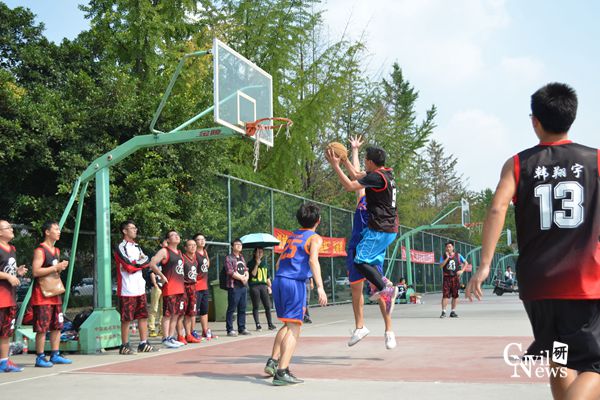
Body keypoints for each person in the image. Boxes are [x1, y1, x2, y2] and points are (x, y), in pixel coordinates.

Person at [466, 82, 600, 400]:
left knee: (560, 357)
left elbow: (497, 207)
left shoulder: (518, 163)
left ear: (535, 121)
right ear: (572, 117)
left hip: (538, 284)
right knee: (594, 365)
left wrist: (484, 265)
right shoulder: (594, 160)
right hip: (584, 282)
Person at [326, 143, 399, 349]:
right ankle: (360, 327)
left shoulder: (375, 186)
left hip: (374, 240)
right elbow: (358, 174)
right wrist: (350, 154)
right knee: (356, 287)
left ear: (371, 162)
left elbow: (353, 182)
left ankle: (389, 328)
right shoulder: (372, 187)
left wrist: (336, 165)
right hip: (363, 242)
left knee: (378, 285)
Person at [264, 203, 328, 385]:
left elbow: (278, 264)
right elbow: (313, 261)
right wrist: (320, 286)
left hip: (279, 280)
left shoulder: (293, 236)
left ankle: (273, 361)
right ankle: (282, 372)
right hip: (293, 283)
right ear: (318, 220)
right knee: (295, 327)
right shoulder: (314, 238)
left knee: (288, 324)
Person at [30, 221, 72, 367]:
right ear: (47, 232)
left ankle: (55, 354)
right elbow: (36, 271)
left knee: (57, 326)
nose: (59, 232)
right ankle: (40, 357)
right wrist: (56, 267)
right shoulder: (40, 250)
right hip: (42, 296)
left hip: (55, 293)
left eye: (59, 229)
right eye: (56, 229)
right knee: (42, 328)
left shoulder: (56, 250)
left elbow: (52, 269)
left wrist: (60, 268)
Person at [113, 220, 157, 354]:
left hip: (139, 288)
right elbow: (128, 267)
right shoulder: (121, 247)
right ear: (124, 231)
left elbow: (147, 261)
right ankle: (124, 345)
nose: (135, 230)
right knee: (126, 318)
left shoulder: (137, 247)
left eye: (135, 227)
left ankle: (143, 343)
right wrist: (140, 263)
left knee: (143, 316)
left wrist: (137, 263)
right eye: (132, 228)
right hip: (127, 289)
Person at [148, 230, 184, 349]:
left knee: (176, 314)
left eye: (177, 235)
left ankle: (171, 337)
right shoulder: (164, 251)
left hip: (180, 288)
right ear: (168, 240)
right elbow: (152, 264)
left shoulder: (179, 252)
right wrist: (162, 276)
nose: (177, 236)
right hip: (170, 288)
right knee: (168, 314)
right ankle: (165, 338)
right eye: (173, 235)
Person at [0, 220, 27, 372]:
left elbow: (7, 268)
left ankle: (4, 362)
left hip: (9, 297)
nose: (11, 229)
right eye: (8, 227)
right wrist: (8, 276)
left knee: (6, 332)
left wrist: (17, 272)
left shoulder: (12, 248)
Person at [224, 238, 250, 336]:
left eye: (240, 244)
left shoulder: (242, 257)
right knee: (232, 308)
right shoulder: (229, 258)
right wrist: (242, 278)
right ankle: (230, 329)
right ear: (232, 246)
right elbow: (230, 272)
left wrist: (246, 277)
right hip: (234, 286)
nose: (239, 246)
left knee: (242, 308)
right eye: (236, 244)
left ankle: (242, 328)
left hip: (243, 286)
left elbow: (246, 269)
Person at [192, 233, 214, 340]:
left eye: (203, 239)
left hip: (204, 286)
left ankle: (205, 331)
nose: (202, 241)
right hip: (196, 286)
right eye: (199, 239)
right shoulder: (194, 254)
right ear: (195, 242)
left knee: (204, 310)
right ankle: (191, 332)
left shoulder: (205, 252)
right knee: (193, 311)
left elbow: (207, 264)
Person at [248, 247, 276, 331]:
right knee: (256, 306)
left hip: (264, 286)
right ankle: (258, 324)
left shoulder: (264, 264)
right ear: (254, 253)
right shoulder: (250, 263)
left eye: (261, 252)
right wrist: (256, 264)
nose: (260, 254)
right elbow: (253, 274)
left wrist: (270, 287)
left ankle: (270, 324)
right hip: (254, 286)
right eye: (258, 252)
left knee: (267, 306)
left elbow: (267, 277)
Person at [439, 241, 466, 318]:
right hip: (447, 278)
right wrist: (447, 258)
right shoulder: (443, 256)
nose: (448, 248)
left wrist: (462, 270)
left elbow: (466, 263)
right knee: (445, 295)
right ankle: (443, 312)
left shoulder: (458, 255)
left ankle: (453, 311)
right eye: (447, 247)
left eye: (450, 247)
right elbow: (441, 266)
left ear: (453, 247)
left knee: (455, 295)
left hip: (455, 278)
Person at [181, 239, 201, 343]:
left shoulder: (195, 260)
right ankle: (180, 335)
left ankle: (188, 334)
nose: (193, 247)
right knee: (181, 313)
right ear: (185, 247)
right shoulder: (182, 259)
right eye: (190, 245)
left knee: (190, 313)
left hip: (193, 288)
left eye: (194, 245)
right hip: (183, 287)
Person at [148, 239, 167, 338]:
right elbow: (151, 272)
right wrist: (155, 284)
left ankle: (161, 329)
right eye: (166, 242)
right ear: (161, 244)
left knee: (163, 309)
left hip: (166, 286)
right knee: (154, 308)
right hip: (157, 286)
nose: (167, 244)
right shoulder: (156, 257)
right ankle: (151, 329)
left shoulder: (169, 257)